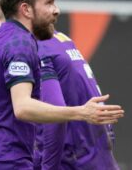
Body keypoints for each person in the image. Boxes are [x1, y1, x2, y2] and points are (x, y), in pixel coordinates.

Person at [0, 0, 124, 169]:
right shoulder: (25, 43)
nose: (56, 10)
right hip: (11, 161)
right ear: (26, 9)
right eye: (49, 3)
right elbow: (24, 107)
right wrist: (82, 112)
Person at [35, 31, 120, 169]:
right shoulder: (60, 39)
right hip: (96, 153)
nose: (56, 10)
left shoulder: (35, 47)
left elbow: (54, 117)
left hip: (74, 159)